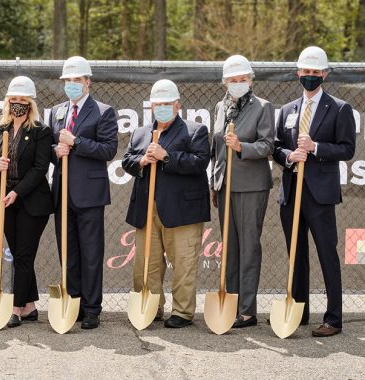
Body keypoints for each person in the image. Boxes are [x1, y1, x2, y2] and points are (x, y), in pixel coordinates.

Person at [272, 46, 356, 337]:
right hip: (291, 191)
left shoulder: (340, 109)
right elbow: (276, 147)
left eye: (315, 72)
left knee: (327, 254)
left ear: (324, 74)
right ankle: (300, 311)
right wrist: (288, 156)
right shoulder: (287, 110)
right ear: (298, 73)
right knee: (296, 254)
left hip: (320, 195)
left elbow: (347, 149)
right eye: (305, 72)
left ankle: (333, 318)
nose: (310, 77)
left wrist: (316, 148)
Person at [122, 79, 210, 328]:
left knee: (184, 263)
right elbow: (127, 160)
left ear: (178, 105)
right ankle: (152, 307)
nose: (161, 107)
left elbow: (199, 162)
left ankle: (182, 312)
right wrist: (141, 161)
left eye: (167, 104)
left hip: (182, 211)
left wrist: (167, 156)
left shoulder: (195, 131)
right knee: (146, 265)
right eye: (157, 104)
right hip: (146, 210)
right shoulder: (140, 132)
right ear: (151, 106)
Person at [49, 56, 118, 329]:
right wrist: (57, 151)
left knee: (90, 253)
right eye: (68, 80)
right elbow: (50, 151)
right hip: (62, 192)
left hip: (89, 194)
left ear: (87, 82)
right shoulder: (56, 111)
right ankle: (73, 302)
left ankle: (91, 309)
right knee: (68, 251)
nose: (72, 84)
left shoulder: (103, 111)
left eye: (77, 80)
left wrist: (76, 142)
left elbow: (109, 150)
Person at [210, 55, 274, 328]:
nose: (238, 83)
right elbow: (215, 148)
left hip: (251, 186)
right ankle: (231, 304)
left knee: (249, 247)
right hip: (225, 186)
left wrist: (241, 148)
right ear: (225, 82)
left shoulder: (263, 107)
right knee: (231, 248)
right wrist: (214, 183)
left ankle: (247, 310)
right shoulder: (220, 107)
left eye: (242, 79)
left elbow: (267, 145)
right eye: (233, 80)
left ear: (250, 80)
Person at [0, 76, 54, 328]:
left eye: (22, 100)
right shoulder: (0, 130)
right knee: (18, 253)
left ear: (30, 103)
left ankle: (15, 309)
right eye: (13, 100)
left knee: (24, 254)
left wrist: (17, 193)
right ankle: (31, 306)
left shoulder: (40, 131)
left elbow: (39, 169)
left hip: (31, 202)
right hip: (6, 199)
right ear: (7, 102)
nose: (17, 104)